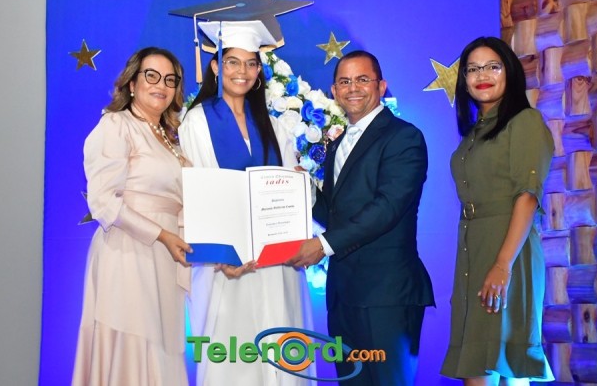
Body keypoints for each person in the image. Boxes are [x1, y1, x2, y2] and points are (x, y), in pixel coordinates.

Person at [288, 50, 435, 386]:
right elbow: (336, 212)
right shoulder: (339, 143)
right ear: (334, 91)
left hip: (386, 295)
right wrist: (304, 190)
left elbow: (387, 208)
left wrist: (322, 245)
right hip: (344, 295)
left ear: (381, 86)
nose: (353, 88)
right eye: (344, 81)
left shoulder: (404, 137)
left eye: (362, 79)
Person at [178, 21, 311, 386]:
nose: (243, 71)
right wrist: (221, 256)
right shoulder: (197, 122)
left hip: (275, 264)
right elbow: (197, 193)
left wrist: (300, 185)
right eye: (233, 62)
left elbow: (292, 186)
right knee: (236, 361)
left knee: (280, 356)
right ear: (216, 67)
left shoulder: (274, 124)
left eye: (251, 63)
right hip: (227, 266)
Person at [72, 47, 192, 386]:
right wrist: (162, 235)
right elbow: (103, 201)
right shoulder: (116, 125)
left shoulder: (173, 140)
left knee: (162, 351)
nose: (161, 85)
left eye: (170, 80)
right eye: (151, 76)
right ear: (132, 83)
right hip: (128, 252)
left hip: (167, 258)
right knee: (134, 347)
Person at [440, 36, 554, 385]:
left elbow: (528, 197)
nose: (482, 75)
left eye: (492, 66)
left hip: (509, 250)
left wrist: (503, 265)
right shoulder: (473, 133)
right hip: (472, 249)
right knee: (481, 364)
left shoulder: (525, 121)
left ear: (510, 72)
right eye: (473, 69)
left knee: (503, 364)